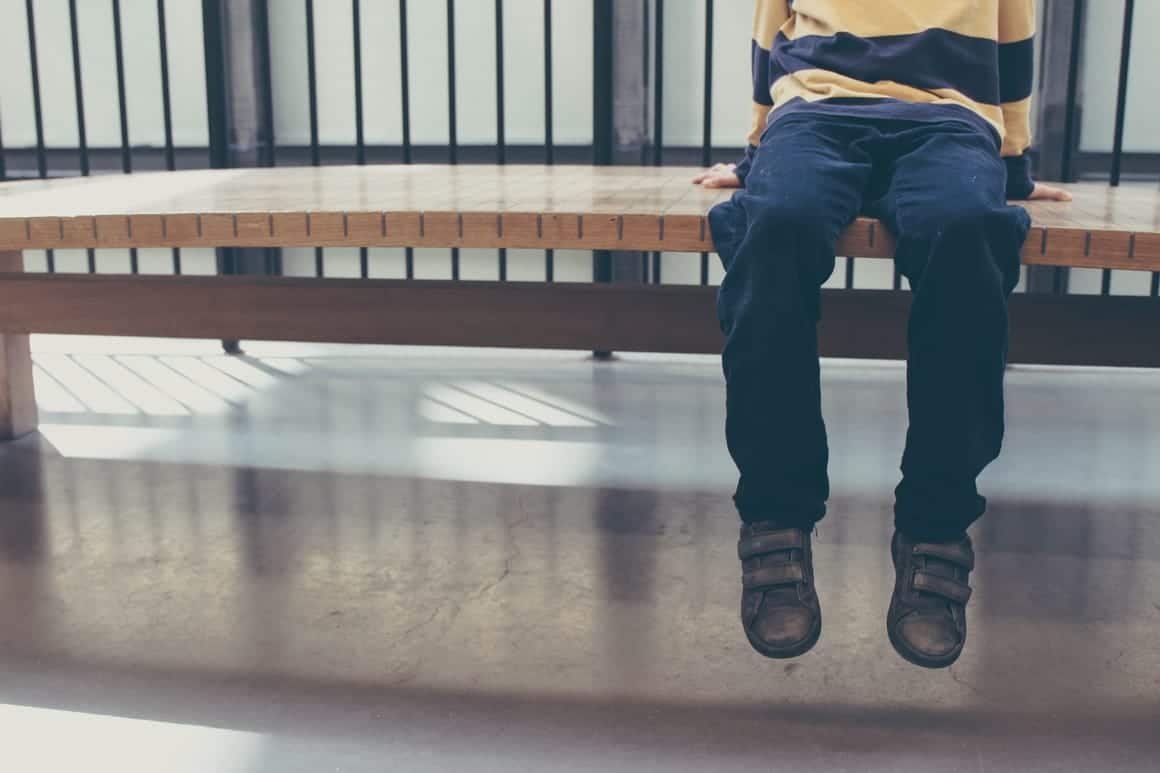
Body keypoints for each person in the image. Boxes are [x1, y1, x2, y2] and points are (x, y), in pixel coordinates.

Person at [694, 0, 1071, 668]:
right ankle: (776, 517)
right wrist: (756, 154)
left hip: (950, 120)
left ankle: (936, 525)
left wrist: (1011, 167)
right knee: (774, 225)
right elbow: (767, 26)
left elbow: (1014, 37)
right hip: (814, 111)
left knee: (967, 229)